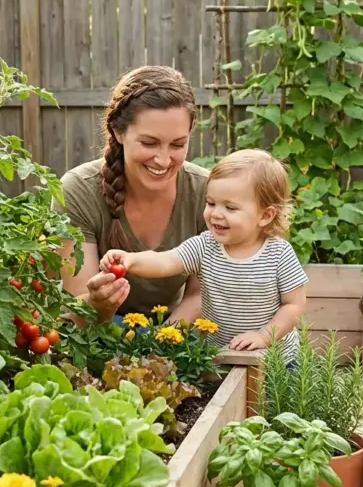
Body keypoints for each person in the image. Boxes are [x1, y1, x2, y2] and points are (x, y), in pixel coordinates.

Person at [100, 149, 307, 357]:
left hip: (276, 360)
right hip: (218, 356)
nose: (216, 214)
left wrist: (263, 337)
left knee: (272, 391)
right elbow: (165, 262)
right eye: (211, 203)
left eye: (230, 208)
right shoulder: (205, 246)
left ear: (265, 215)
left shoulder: (279, 253)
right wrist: (130, 260)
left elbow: (294, 305)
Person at [54, 65, 208, 323]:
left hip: (173, 327)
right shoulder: (79, 189)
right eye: (149, 143)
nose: (162, 159)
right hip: (97, 331)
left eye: (178, 144)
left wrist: (164, 340)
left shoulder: (206, 192)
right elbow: (76, 308)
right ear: (118, 131)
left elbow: (200, 296)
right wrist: (97, 303)